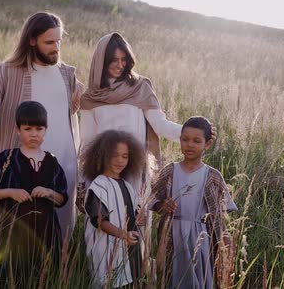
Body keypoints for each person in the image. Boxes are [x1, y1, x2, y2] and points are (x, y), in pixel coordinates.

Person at [0, 12, 83, 260]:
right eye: (50, 42)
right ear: (31, 40)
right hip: (19, 172)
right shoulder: (6, 73)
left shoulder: (67, 75)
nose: (56, 48)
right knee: (11, 236)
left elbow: (91, 102)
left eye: (59, 41)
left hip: (60, 170)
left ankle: (52, 278)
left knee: (55, 235)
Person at [78, 32, 182, 206]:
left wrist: (193, 131)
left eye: (124, 59)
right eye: (114, 60)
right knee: (105, 225)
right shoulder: (90, 98)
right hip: (103, 172)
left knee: (136, 224)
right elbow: (87, 141)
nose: (120, 65)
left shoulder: (140, 87)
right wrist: (83, 181)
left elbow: (160, 125)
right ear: (101, 61)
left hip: (135, 170)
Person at [0, 101, 68, 288]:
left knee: (43, 279)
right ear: (18, 130)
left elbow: (62, 198)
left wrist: (48, 192)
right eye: (28, 128)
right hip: (12, 235)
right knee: (12, 279)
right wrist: (10, 192)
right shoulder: (7, 158)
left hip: (44, 235)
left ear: (46, 130)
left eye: (39, 128)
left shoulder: (52, 163)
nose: (34, 134)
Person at [151, 116, 237, 289]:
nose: (189, 145)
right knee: (171, 277)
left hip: (201, 236)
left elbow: (219, 217)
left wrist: (227, 247)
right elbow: (152, 201)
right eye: (185, 140)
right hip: (172, 233)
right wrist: (163, 206)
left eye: (196, 141)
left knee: (200, 279)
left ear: (207, 144)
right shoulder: (170, 170)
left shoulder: (212, 176)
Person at [81, 130, 147, 288]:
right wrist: (123, 234)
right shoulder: (98, 186)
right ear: (102, 155)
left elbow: (134, 216)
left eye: (125, 156)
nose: (120, 160)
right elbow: (99, 221)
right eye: (114, 155)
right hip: (107, 252)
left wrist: (140, 218)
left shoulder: (128, 186)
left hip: (130, 250)